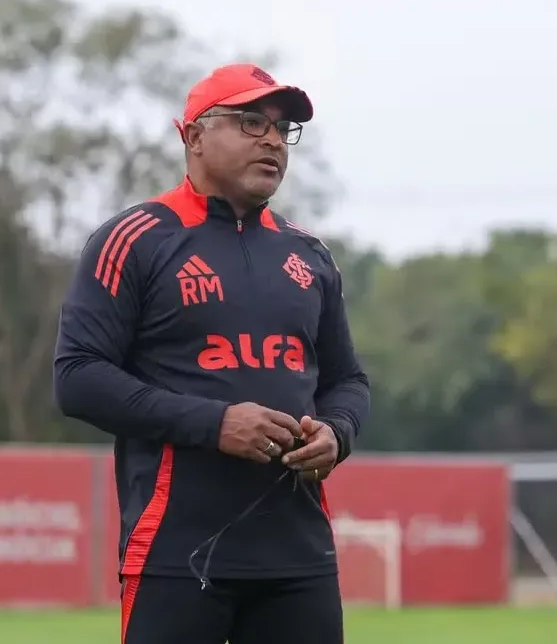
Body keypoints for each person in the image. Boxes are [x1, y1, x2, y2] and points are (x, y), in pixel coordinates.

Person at [53, 63, 369, 644]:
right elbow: (78, 377)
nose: (273, 139)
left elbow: (348, 380)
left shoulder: (310, 256)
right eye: (251, 122)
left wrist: (336, 431)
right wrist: (216, 423)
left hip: (299, 559)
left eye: (282, 129)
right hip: (175, 554)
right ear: (194, 136)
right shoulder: (135, 239)